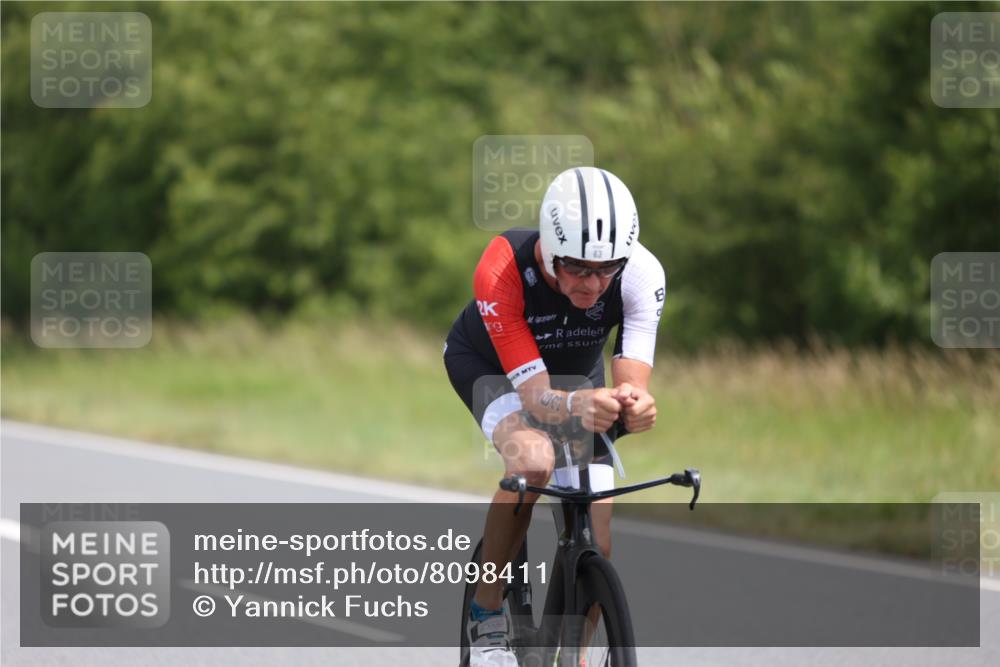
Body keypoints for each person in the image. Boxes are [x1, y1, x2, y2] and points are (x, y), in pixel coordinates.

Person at [444, 166, 665, 667]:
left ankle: (573, 655)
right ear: (548, 248)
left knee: (599, 534)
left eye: (607, 270)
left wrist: (634, 402)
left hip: (575, 375)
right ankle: (486, 616)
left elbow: (631, 378)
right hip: (491, 367)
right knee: (533, 461)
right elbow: (538, 399)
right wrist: (575, 406)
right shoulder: (502, 268)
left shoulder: (641, 272)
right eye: (578, 269)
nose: (593, 285)